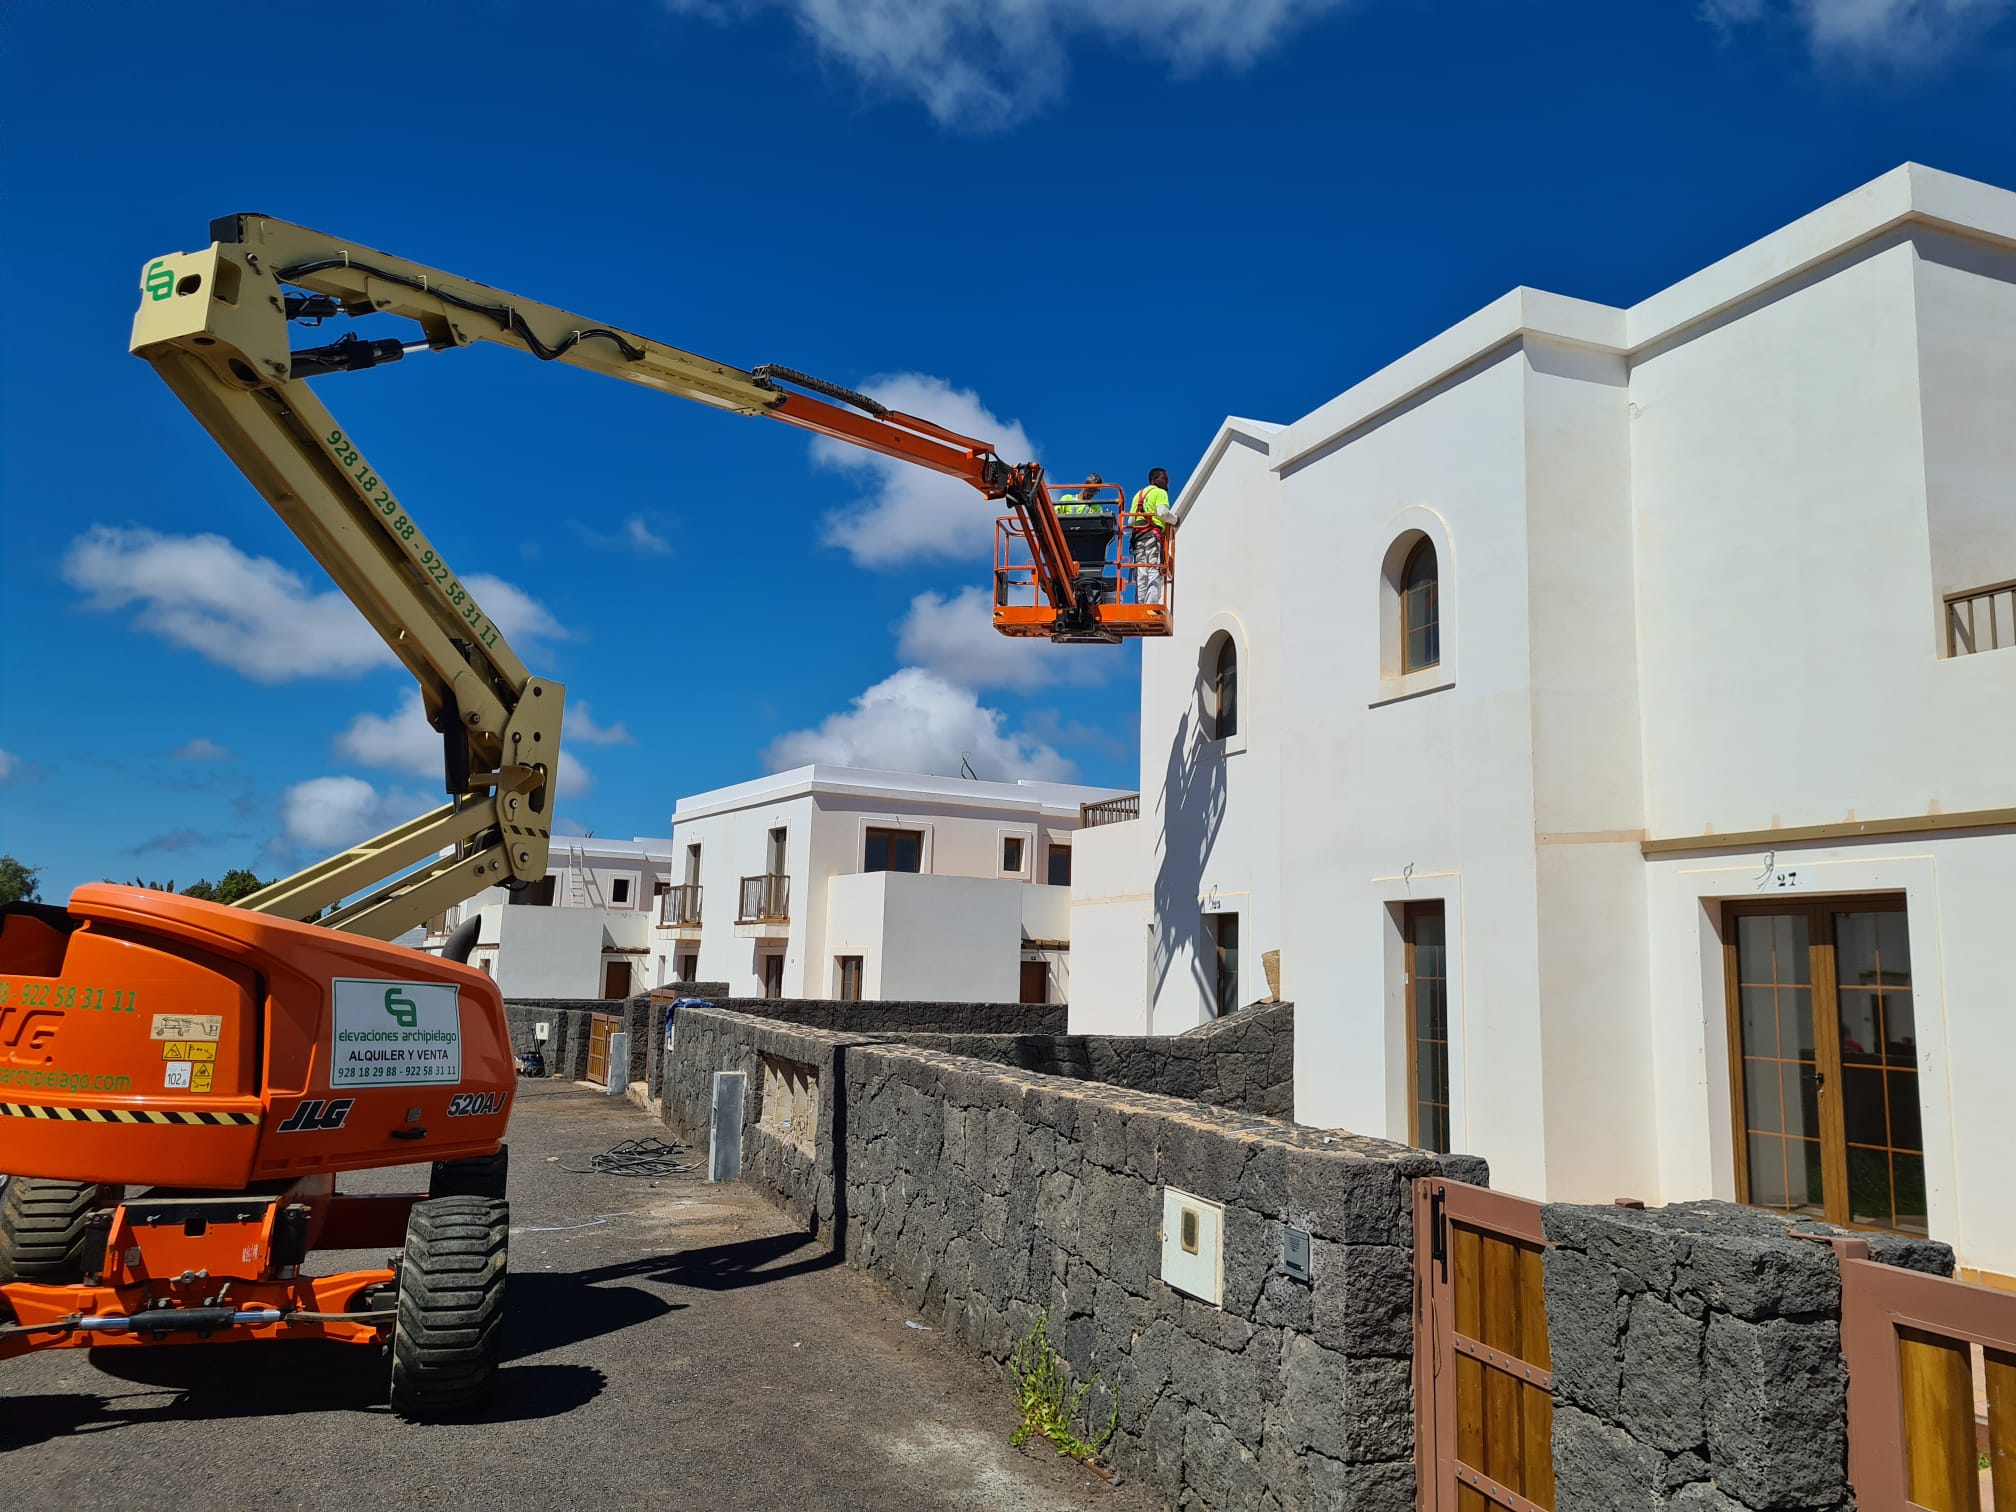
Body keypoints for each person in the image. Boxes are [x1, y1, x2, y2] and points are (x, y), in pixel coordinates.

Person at [1131, 468, 1173, 604]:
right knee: (1154, 570)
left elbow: (1130, 521)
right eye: (1164, 478)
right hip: (1152, 538)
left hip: (1138, 539)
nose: (1167, 482)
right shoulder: (1160, 492)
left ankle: (1140, 605)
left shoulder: (1138, 495)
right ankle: (1150, 606)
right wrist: (1175, 520)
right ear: (1154, 480)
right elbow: (1162, 513)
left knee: (1141, 573)